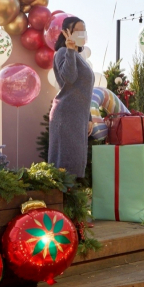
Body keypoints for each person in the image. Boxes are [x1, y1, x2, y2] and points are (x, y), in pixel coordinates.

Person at [48, 16, 94, 178]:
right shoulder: (62, 53)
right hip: (66, 115)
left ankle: (70, 202)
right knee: (65, 167)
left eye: (84, 30)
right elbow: (68, 79)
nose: (82, 34)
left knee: (75, 165)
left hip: (78, 118)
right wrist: (69, 50)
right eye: (78, 30)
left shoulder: (80, 57)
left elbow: (84, 91)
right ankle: (62, 202)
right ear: (66, 32)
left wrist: (88, 117)